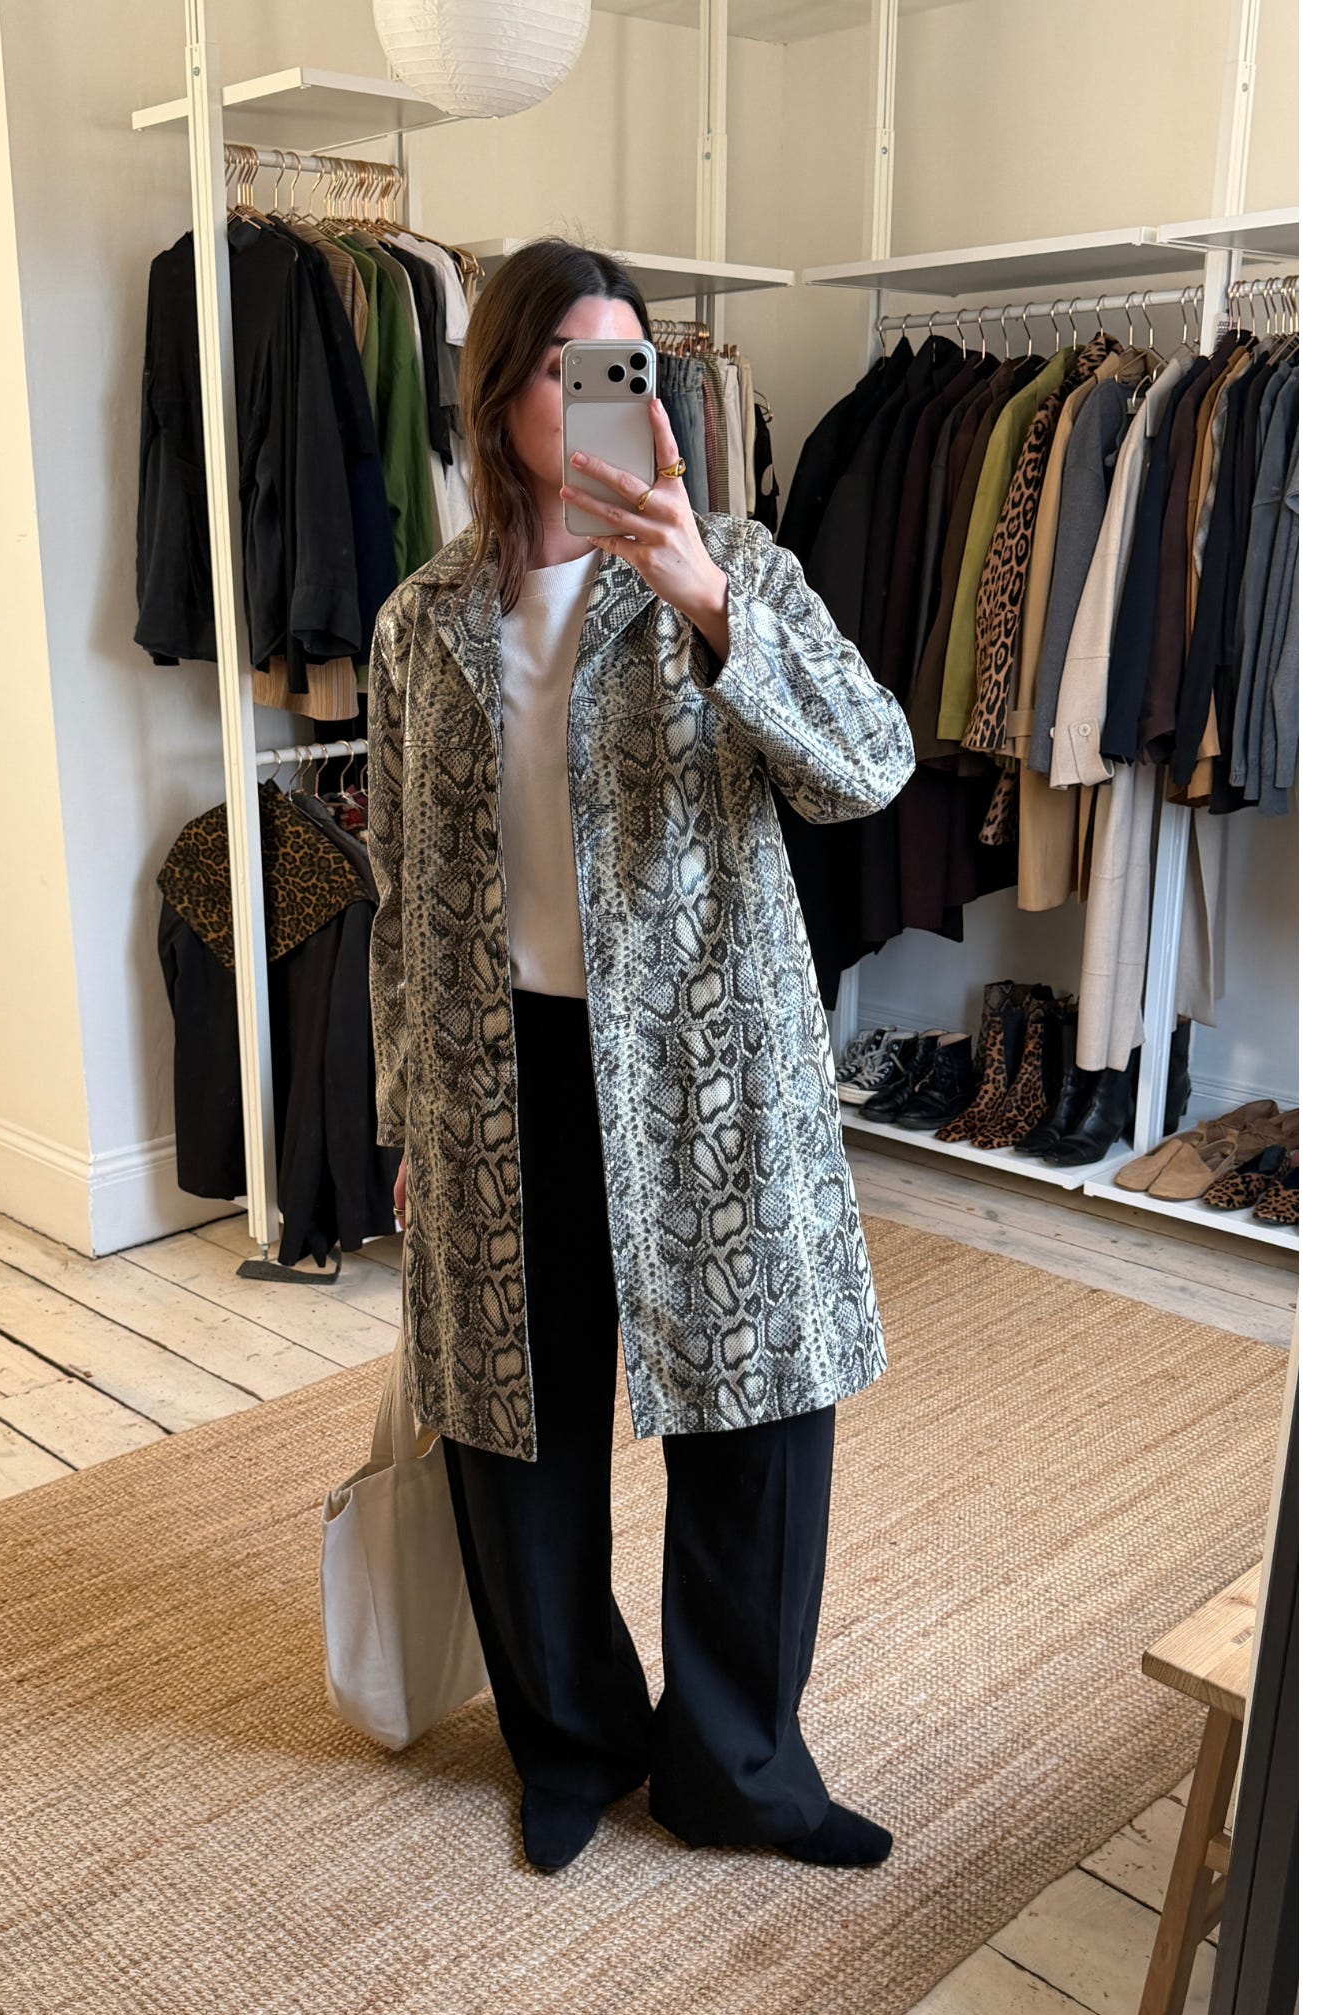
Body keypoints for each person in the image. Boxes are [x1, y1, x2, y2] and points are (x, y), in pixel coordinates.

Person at [358, 240, 917, 1875]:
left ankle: (736, 1769)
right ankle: (570, 1741)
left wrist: (706, 601)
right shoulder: (418, 625)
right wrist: (404, 1113)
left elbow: (869, 767)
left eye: (626, 369)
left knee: (754, 1422)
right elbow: (398, 887)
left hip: (708, 1068)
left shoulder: (732, 563)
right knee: (511, 1427)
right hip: (495, 1071)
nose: (604, 398)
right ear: (497, 398)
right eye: (564, 370)